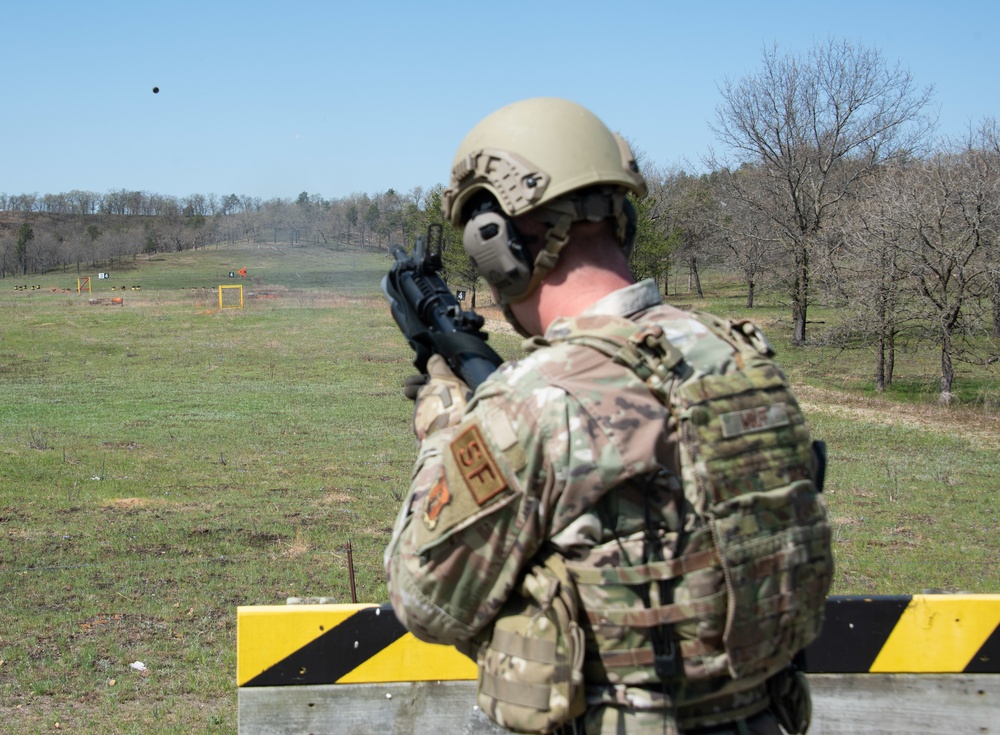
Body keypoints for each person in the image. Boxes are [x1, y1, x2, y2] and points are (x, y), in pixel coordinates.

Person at [385, 97, 831, 735]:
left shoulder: (535, 400)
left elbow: (424, 601)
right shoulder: (742, 358)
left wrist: (445, 429)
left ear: (497, 246)